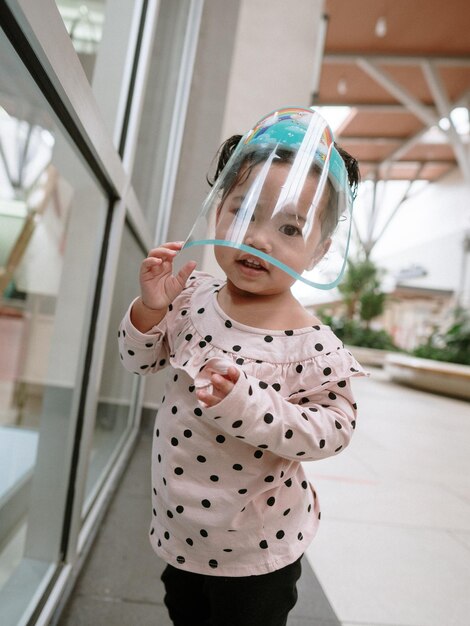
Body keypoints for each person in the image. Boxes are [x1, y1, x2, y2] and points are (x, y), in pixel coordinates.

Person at [118, 107, 366, 626]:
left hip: (257, 546)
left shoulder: (313, 348)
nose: (259, 238)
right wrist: (151, 308)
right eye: (245, 211)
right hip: (180, 527)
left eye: (290, 228)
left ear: (318, 251)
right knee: (184, 613)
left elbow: (334, 431)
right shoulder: (191, 296)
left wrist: (248, 407)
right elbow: (136, 360)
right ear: (218, 213)